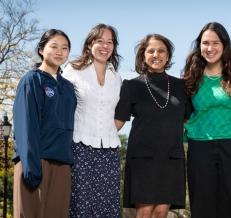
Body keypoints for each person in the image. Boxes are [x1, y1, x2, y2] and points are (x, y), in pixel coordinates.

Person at [115, 33, 191, 218]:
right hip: (142, 158)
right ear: (143, 55)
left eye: (161, 51)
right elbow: (117, 121)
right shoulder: (131, 86)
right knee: (145, 211)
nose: (156, 55)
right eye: (151, 51)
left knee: (161, 212)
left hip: (171, 157)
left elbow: (189, 120)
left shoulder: (182, 86)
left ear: (168, 56)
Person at [183, 22, 231, 218]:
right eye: (205, 43)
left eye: (215, 43)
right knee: (202, 206)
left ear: (224, 45)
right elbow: (184, 111)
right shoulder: (191, 74)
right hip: (200, 146)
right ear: (199, 46)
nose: (210, 48)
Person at [13, 29, 76, 218]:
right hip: (34, 162)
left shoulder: (68, 88)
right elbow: (26, 126)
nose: (60, 52)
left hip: (62, 164)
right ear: (41, 49)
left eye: (65, 48)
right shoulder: (31, 81)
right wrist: (31, 168)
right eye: (54, 46)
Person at [62, 24, 122, 217]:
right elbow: (62, 108)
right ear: (89, 44)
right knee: (80, 205)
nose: (105, 46)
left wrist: (111, 130)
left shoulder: (117, 78)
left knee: (107, 207)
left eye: (110, 42)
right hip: (80, 148)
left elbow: (119, 114)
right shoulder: (72, 71)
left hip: (110, 151)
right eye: (99, 41)